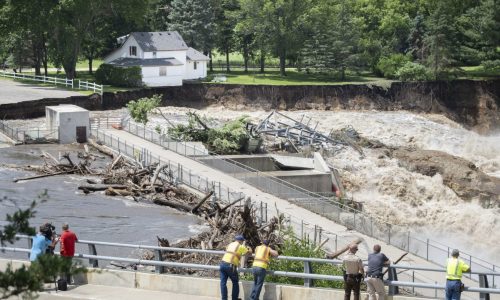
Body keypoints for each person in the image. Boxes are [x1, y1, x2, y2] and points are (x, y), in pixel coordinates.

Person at [220, 234, 252, 300]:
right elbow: (249, 253)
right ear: (241, 241)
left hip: (222, 264)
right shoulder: (241, 246)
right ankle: (234, 298)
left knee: (223, 283)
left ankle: (224, 298)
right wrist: (249, 248)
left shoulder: (230, 244)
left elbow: (228, 250)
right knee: (235, 282)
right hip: (230, 265)